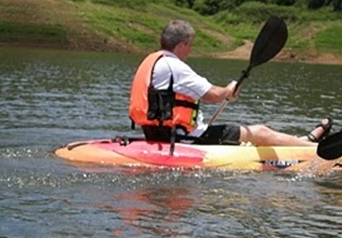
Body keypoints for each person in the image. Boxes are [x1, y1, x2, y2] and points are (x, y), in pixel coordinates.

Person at [129, 19, 331, 146]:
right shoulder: (174, 66)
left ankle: (302, 141)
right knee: (260, 131)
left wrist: (227, 92)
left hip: (157, 134)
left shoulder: (152, 61)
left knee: (253, 134)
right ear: (181, 45)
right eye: (190, 45)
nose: (190, 50)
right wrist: (229, 89)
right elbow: (213, 96)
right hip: (183, 138)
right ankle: (314, 149)